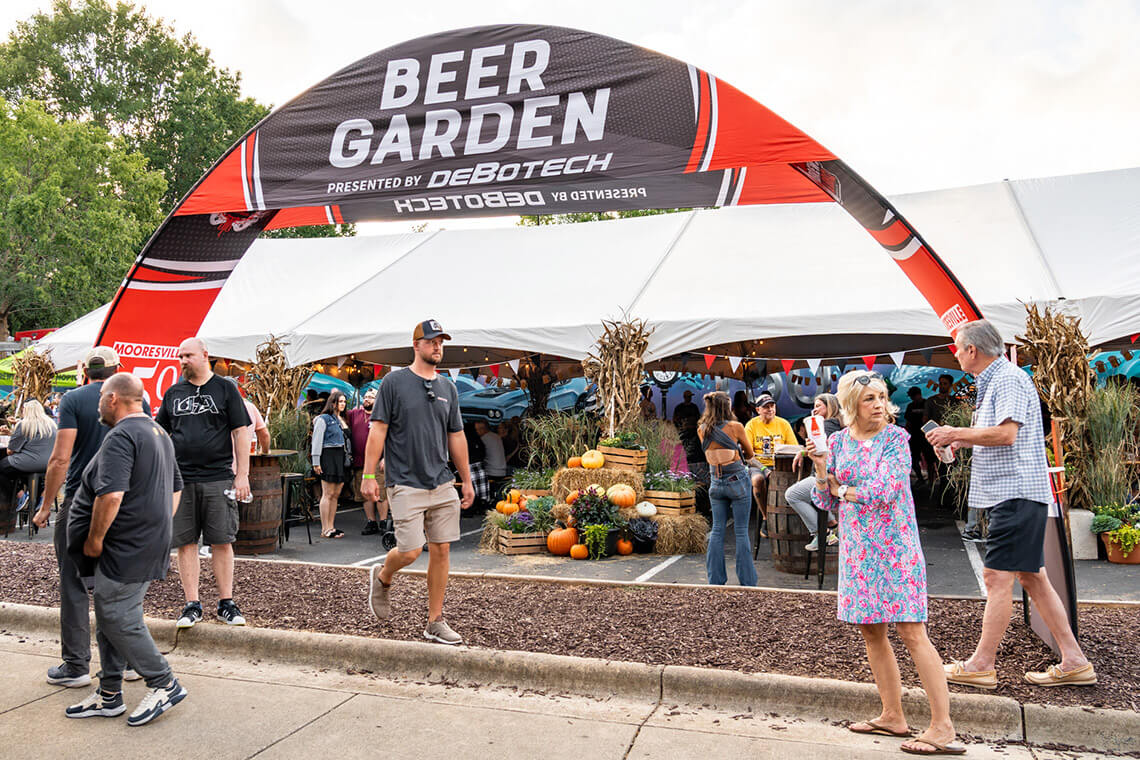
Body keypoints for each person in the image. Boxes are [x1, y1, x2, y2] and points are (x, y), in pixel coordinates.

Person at [927, 319, 1096, 689]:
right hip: (1017, 493)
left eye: (957, 347)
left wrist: (956, 433)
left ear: (973, 350)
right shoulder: (1000, 381)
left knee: (996, 577)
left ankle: (981, 665)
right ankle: (1074, 660)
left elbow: (1006, 434)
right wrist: (961, 442)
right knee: (1033, 578)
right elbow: (999, 435)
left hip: (1015, 493)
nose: (955, 354)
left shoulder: (1007, 379)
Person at [808, 370, 962, 755]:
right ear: (851, 406)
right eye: (869, 399)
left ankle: (942, 727)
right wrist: (822, 470)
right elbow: (825, 502)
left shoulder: (896, 439)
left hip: (896, 549)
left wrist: (840, 488)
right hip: (859, 550)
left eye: (881, 397)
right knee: (872, 632)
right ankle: (892, 715)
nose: (878, 405)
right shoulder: (839, 442)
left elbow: (886, 490)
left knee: (912, 632)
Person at [62, 373, 188, 726]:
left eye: (102, 395)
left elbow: (112, 494)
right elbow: (175, 488)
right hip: (142, 541)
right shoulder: (157, 433)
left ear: (114, 398)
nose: (98, 401)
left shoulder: (122, 435)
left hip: (124, 545)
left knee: (118, 615)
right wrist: (158, 522)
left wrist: (95, 539)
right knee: (109, 618)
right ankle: (109, 693)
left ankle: (164, 683)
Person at [33, 347, 150, 688]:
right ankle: (129, 662)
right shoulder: (134, 401)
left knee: (73, 583)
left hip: (82, 503)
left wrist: (44, 507)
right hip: (124, 504)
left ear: (85, 369)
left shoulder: (72, 401)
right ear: (118, 370)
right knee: (118, 585)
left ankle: (76, 665)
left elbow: (60, 459)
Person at [362, 320, 474, 646]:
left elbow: (456, 436)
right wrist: (369, 475)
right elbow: (378, 430)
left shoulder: (447, 389)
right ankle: (383, 577)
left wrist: (465, 480)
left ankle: (435, 621)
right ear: (416, 345)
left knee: (441, 550)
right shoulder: (394, 383)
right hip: (405, 481)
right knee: (411, 552)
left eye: (441, 342)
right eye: (431, 342)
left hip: (441, 481)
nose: (437, 347)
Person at [156, 337, 251, 629]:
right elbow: (160, 433)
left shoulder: (225, 389)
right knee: (185, 543)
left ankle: (226, 603)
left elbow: (241, 432)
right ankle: (192, 604)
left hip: (218, 477)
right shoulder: (174, 393)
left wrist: (242, 474)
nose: (183, 360)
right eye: (180, 356)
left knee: (222, 540)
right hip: (182, 480)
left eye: (188, 355)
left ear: (205, 355)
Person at [698, 391, 758, 587]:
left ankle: (715, 580)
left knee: (717, 530)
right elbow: (749, 454)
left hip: (716, 481)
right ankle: (747, 582)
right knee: (741, 531)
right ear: (727, 407)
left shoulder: (702, 429)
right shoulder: (736, 427)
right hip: (737, 480)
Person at [786, 394, 842, 552]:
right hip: (828, 475)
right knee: (810, 495)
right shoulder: (835, 424)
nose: (814, 409)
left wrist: (804, 450)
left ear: (829, 407)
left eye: (819, 406)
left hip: (825, 475)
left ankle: (822, 532)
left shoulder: (829, 424)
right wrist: (803, 452)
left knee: (793, 494)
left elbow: (819, 447)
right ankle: (832, 525)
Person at [744, 393, 797, 538]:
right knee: (757, 481)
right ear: (758, 410)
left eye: (772, 406)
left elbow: (794, 448)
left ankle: (792, 521)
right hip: (759, 465)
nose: (770, 409)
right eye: (766, 407)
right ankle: (766, 518)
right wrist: (764, 469)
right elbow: (748, 455)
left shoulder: (783, 423)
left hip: (780, 464)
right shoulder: (751, 425)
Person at [311, 390, 351, 539]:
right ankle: (325, 528)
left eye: (344, 402)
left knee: (335, 494)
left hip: (340, 456)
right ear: (333, 403)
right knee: (327, 493)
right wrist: (316, 461)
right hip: (328, 455)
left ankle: (331, 526)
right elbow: (316, 441)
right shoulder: (323, 419)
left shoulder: (340, 419)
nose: (343, 404)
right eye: (340, 401)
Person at [0, 399, 57, 506]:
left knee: (3, 468)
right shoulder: (52, 424)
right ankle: (38, 500)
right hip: (49, 465)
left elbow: (10, 451)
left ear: (26, 410)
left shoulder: (24, 424)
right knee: (25, 474)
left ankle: (21, 495)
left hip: (29, 463)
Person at [349, 389, 388, 536]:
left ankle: (384, 521)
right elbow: (336, 414)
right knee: (365, 494)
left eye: (371, 397)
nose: (367, 399)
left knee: (381, 493)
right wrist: (320, 418)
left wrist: (386, 457)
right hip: (360, 462)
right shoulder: (355, 414)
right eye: (365, 397)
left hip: (378, 461)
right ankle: (371, 521)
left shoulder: (381, 415)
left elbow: (389, 438)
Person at [904, 387, 936, 484]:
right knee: (913, 460)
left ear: (919, 394)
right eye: (911, 396)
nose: (913, 398)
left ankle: (931, 482)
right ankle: (920, 479)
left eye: (914, 395)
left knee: (930, 460)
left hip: (926, 437)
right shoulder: (910, 406)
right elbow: (908, 422)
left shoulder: (927, 404)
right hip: (914, 436)